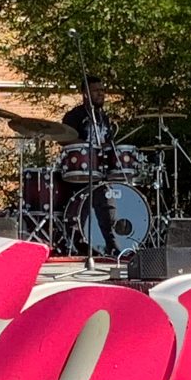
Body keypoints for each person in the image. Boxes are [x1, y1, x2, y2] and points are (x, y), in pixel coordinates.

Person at [62, 76, 120, 256]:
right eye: (96, 90)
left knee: (108, 207)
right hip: (80, 171)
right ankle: (78, 245)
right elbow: (63, 138)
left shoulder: (104, 118)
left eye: (102, 90)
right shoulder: (74, 116)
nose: (101, 93)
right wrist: (87, 145)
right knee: (81, 210)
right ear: (85, 94)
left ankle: (111, 246)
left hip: (101, 172)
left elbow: (108, 143)